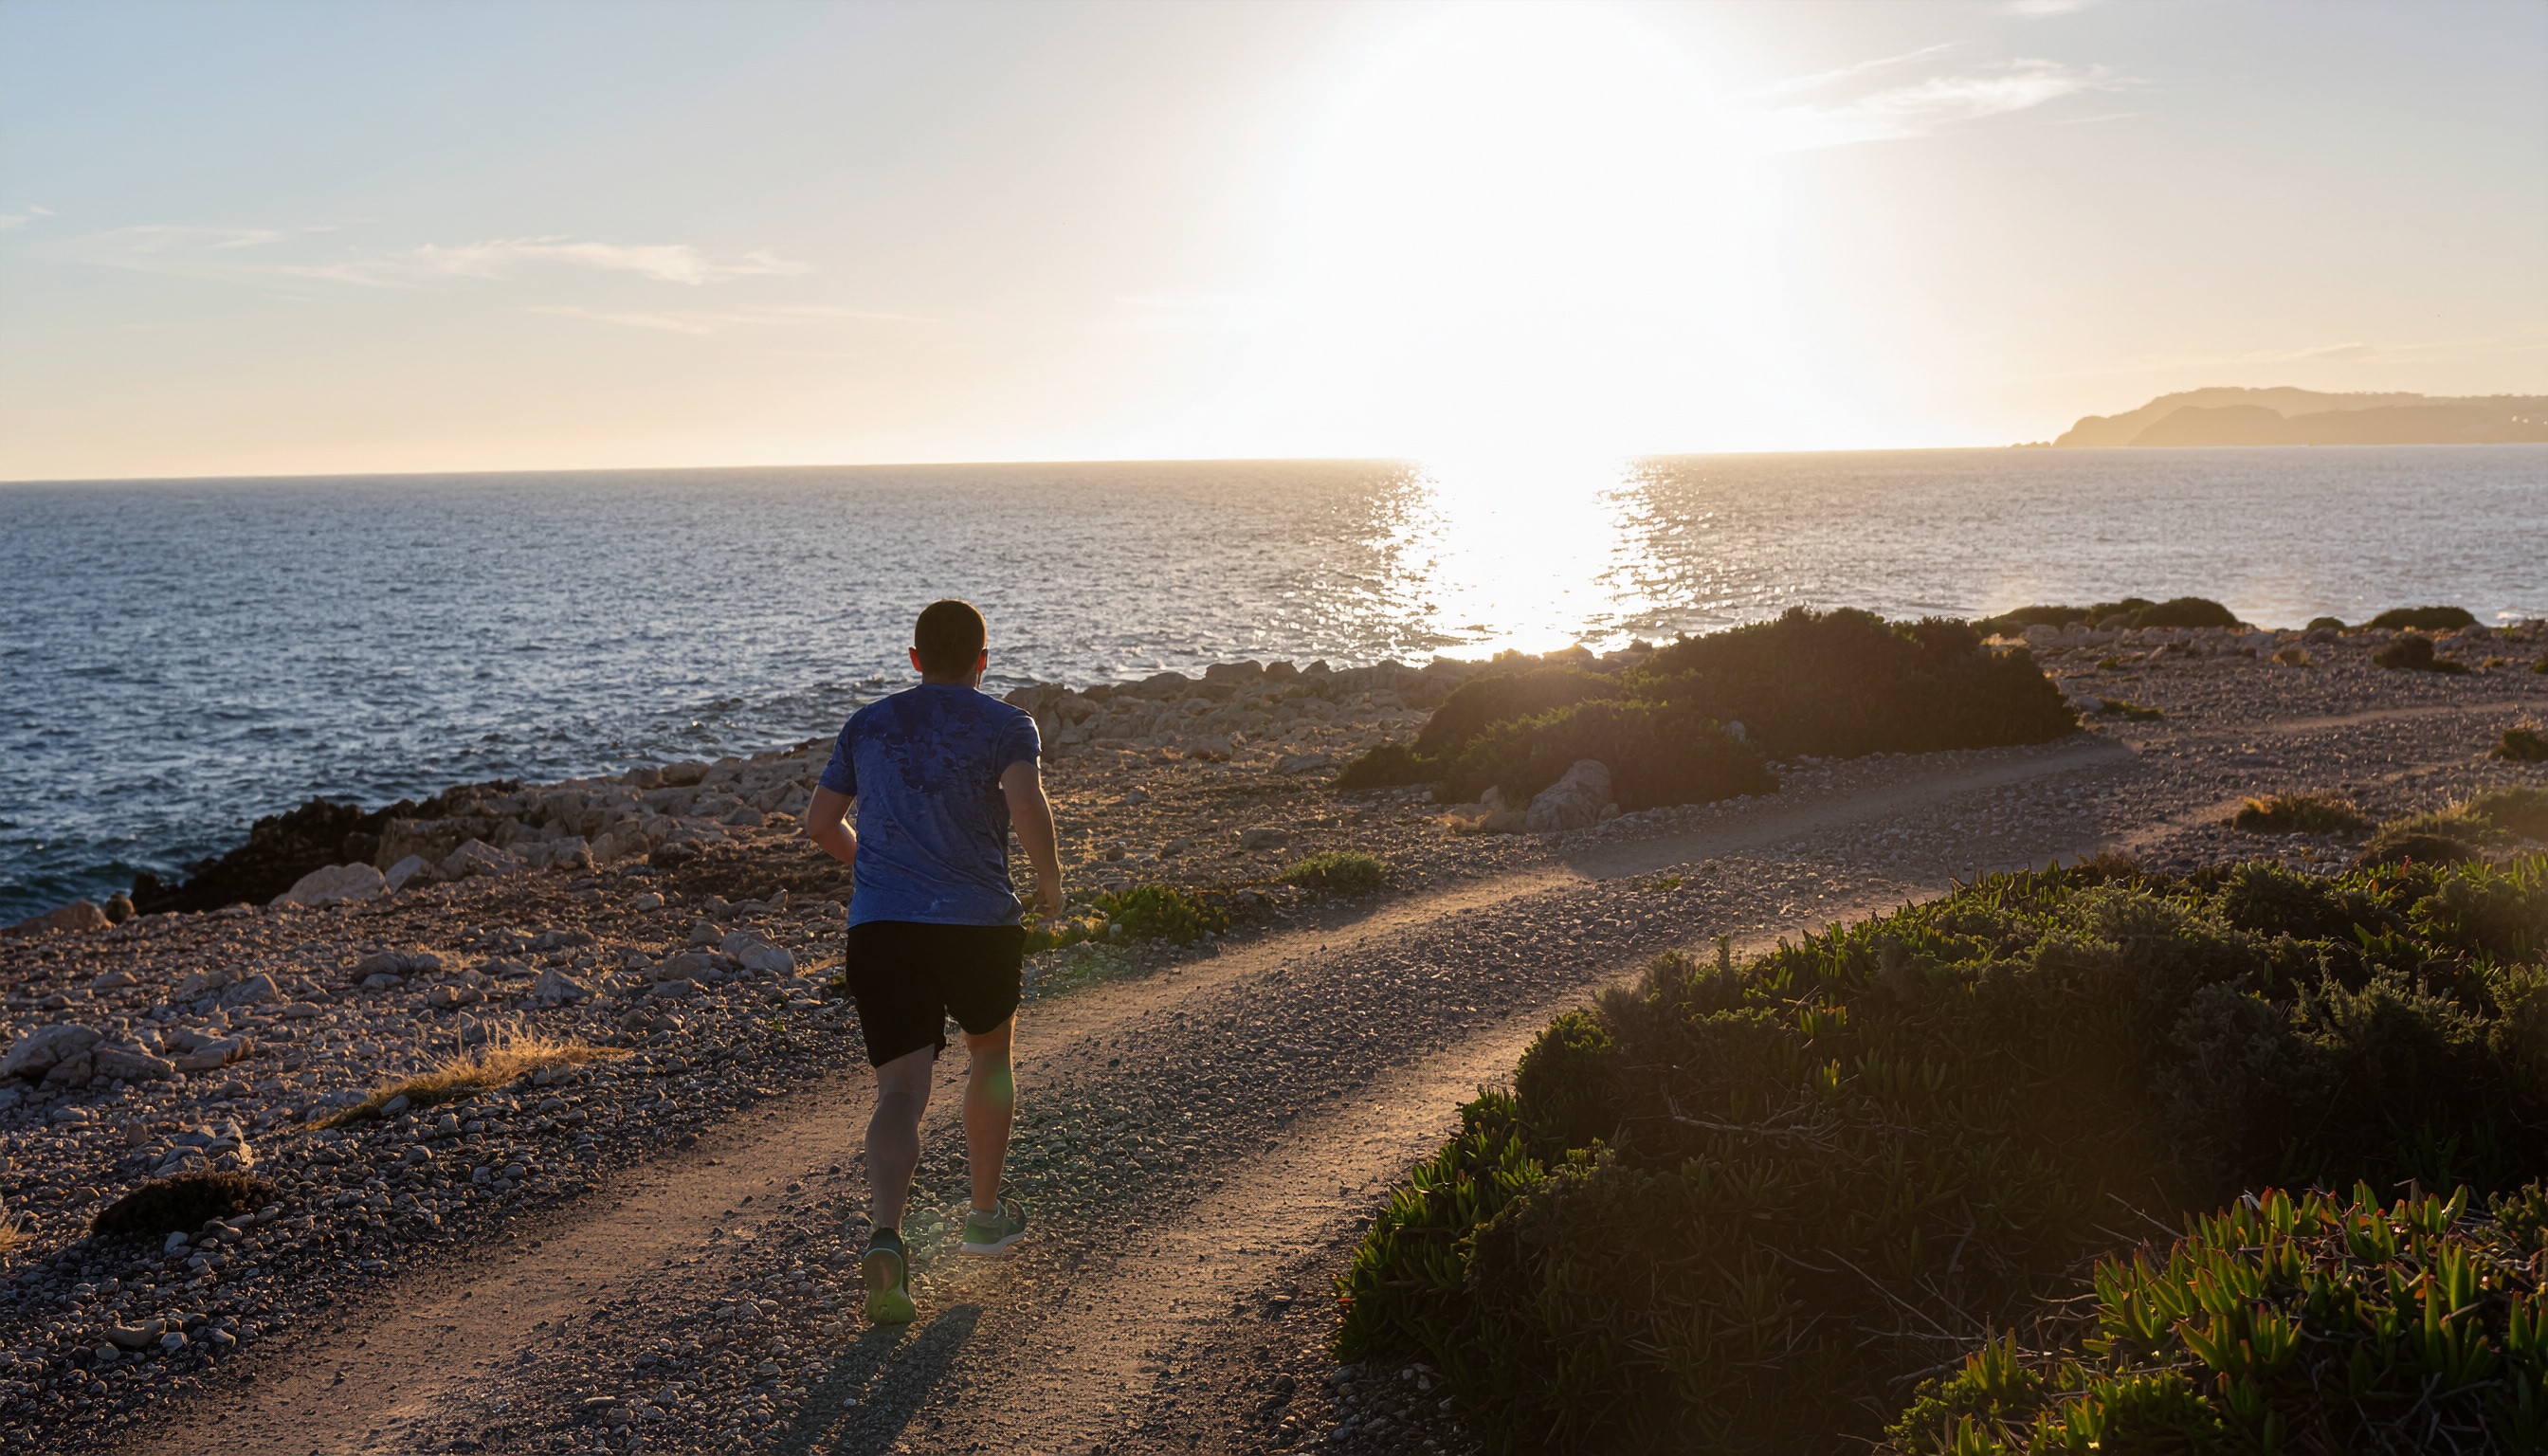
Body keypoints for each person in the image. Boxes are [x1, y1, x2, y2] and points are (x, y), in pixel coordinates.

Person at [803, 598, 1064, 1324]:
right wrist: (1049, 883)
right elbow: (1024, 799)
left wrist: (873, 870)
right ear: (984, 660)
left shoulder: (870, 724)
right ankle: (984, 1216)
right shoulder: (1008, 724)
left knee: (899, 1092)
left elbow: (820, 824)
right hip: (977, 925)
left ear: (914, 660)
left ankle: (887, 1237)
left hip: (883, 928)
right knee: (990, 1059)